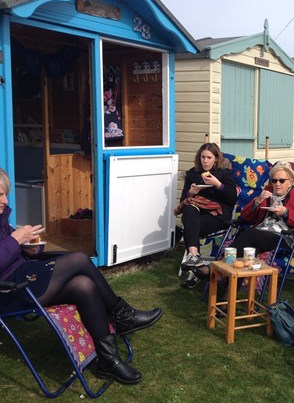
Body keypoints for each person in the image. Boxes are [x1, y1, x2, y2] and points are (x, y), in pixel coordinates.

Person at [0, 168, 163, 385]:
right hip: (10, 291)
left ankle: (108, 361)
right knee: (79, 259)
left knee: (83, 285)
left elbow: (12, 251)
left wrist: (30, 248)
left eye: (5, 194)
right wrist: (15, 239)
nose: (5, 199)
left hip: (26, 278)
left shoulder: (2, 219)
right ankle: (122, 315)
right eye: (0, 194)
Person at [173, 142, 237, 288]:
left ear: (216, 159)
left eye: (209, 157)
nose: (205, 161)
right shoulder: (193, 174)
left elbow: (232, 199)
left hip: (218, 216)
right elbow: (184, 201)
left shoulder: (224, 174)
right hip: (195, 214)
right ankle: (194, 256)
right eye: (203, 157)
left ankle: (194, 269)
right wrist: (191, 193)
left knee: (191, 228)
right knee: (189, 208)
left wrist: (218, 184)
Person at [228, 160, 294, 261]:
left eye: (282, 180)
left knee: (249, 234)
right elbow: (245, 216)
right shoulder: (267, 193)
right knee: (249, 252)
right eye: (274, 180)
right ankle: (240, 275)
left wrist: (285, 213)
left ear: (291, 182)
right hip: (262, 234)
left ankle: (220, 264)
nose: (277, 184)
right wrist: (258, 201)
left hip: (284, 237)